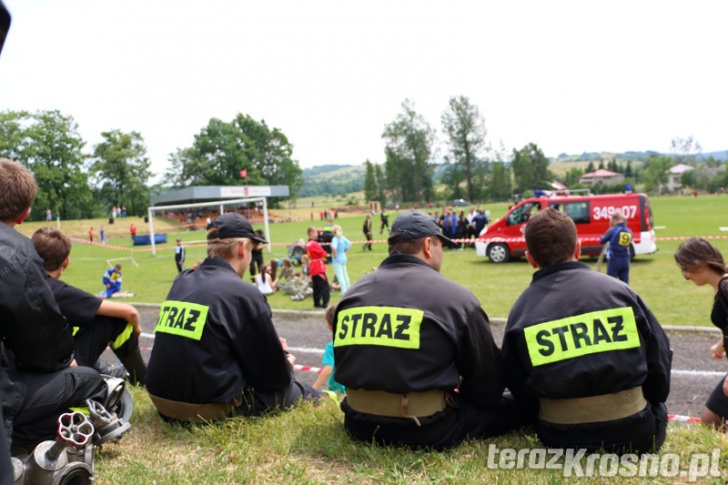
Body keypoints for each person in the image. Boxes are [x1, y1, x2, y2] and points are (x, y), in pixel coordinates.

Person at [333, 210, 523, 449]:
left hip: (357, 423)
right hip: (426, 428)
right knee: (517, 406)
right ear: (427, 245)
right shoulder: (455, 298)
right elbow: (488, 385)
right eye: (441, 246)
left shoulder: (351, 296)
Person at [501, 208, 671, 453]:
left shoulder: (522, 310)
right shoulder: (621, 293)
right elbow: (659, 360)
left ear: (530, 259)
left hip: (558, 436)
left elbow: (517, 382)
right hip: (637, 433)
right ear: (578, 248)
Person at [146, 213, 323, 423]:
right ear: (241, 248)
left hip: (162, 403)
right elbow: (275, 379)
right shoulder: (243, 293)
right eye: (251, 250)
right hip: (205, 409)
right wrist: (284, 360)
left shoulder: (182, 280)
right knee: (302, 392)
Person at [0, 159, 108, 449]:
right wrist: (64, 361)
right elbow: (42, 345)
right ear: (24, 214)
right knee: (89, 380)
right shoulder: (16, 254)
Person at [32, 227, 147, 385]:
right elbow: (130, 312)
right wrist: (137, 328)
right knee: (114, 320)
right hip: (58, 372)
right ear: (66, 262)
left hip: (24, 368)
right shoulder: (58, 291)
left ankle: (101, 369)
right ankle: (142, 377)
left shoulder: (18, 284)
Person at [675, 237, 728, 428]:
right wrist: (721, 346)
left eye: (686, 269)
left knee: (711, 419)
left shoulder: (725, 286)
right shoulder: (721, 286)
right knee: (710, 419)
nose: (686, 276)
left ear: (701, 263)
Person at [312, 305, 345, 394]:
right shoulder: (353, 343)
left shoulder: (331, 346)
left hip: (337, 392)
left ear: (329, 326)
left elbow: (328, 369)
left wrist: (314, 388)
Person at [599, 211, 633, 284]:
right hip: (625, 259)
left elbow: (602, 240)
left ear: (614, 220)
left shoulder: (613, 230)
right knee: (625, 284)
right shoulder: (629, 231)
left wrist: (601, 237)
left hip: (614, 259)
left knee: (611, 283)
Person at [306, 227, 329, 309]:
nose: (317, 234)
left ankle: (316, 303)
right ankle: (325, 304)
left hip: (313, 266)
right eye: (315, 232)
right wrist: (326, 254)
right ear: (311, 233)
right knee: (324, 286)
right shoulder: (314, 244)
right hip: (318, 267)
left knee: (316, 286)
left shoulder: (308, 243)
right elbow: (322, 253)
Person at [331, 224, 351, 295]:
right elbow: (349, 243)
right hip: (343, 257)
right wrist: (345, 252)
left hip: (337, 259)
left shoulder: (335, 239)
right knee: (345, 274)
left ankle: (344, 291)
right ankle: (348, 289)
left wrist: (334, 254)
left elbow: (334, 248)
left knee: (340, 276)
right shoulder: (342, 238)